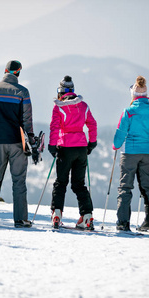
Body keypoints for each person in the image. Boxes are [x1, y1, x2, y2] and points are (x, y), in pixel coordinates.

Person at [0, 60, 39, 228]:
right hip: (17, 143)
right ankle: (20, 219)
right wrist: (31, 141)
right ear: (18, 73)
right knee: (19, 181)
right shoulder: (22, 92)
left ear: (5, 70)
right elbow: (27, 120)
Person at [113, 76, 149, 232]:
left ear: (133, 95)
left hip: (129, 153)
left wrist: (116, 145)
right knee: (148, 188)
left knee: (125, 187)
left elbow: (120, 133)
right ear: (146, 95)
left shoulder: (128, 112)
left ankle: (123, 222)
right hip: (147, 153)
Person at [48, 76, 98, 230]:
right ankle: (87, 216)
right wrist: (92, 143)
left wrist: (52, 145)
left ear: (61, 91)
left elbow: (54, 127)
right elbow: (92, 124)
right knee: (79, 184)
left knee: (61, 182)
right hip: (81, 147)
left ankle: (57, 214)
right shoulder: (83, 106)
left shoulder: (59, 107)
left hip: (65, 147)